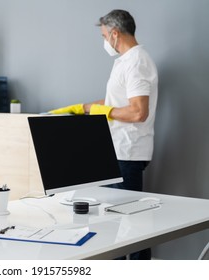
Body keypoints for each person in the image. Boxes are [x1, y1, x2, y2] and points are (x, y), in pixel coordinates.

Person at [50, 10, 158, 259]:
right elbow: (116, 102)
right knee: (116, 223)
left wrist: (104, 110)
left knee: (131, 225)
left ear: (114, 33)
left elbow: (138, 112)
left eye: (103, 35)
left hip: (127, 152)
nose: (104, 41)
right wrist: (84, 107)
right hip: (119, 151)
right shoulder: (126, 61)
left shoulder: (137, 61)